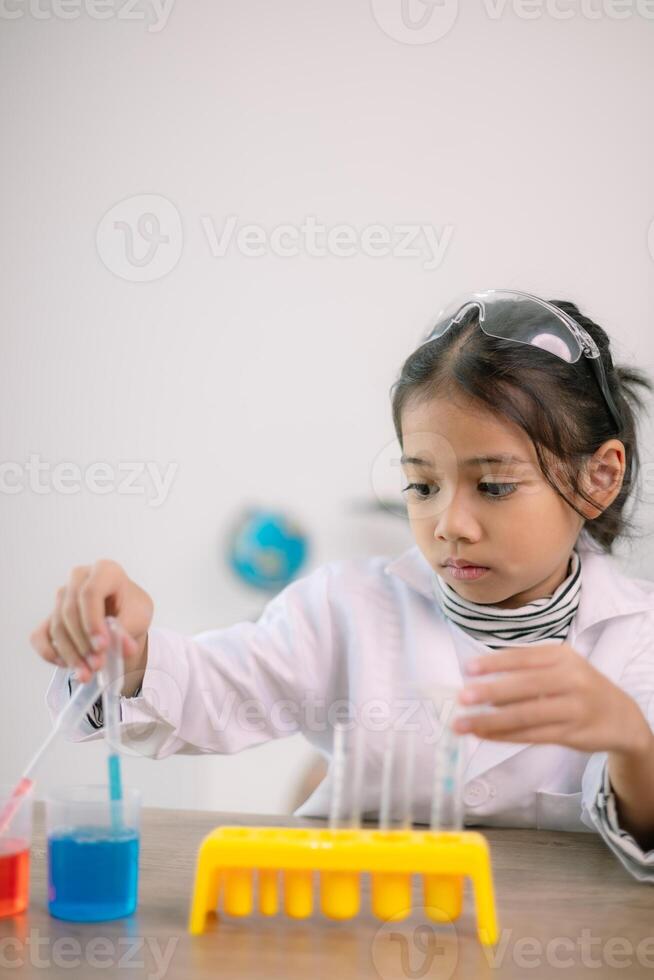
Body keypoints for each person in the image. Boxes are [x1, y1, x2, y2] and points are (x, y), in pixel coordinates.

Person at [31, 289, 654, 881]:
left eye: (493, 486)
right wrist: (131, 653)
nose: (450, 527)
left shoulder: (637, 638)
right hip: (349, 937)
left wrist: (631, 740)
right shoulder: (346, 609)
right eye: (423, 486)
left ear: (599, 477)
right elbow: (212, 693)